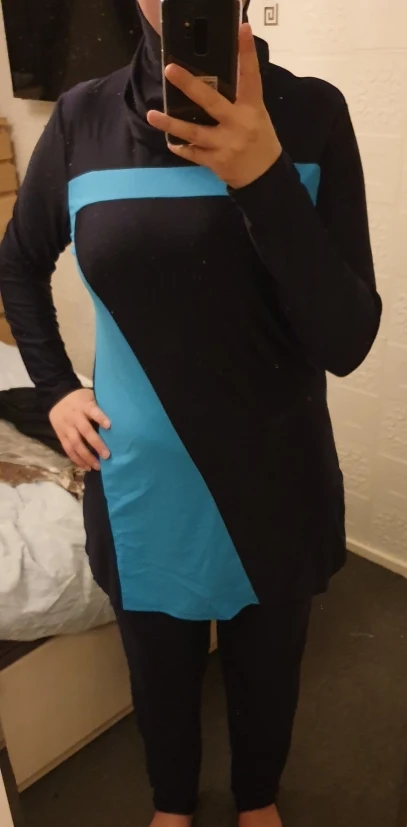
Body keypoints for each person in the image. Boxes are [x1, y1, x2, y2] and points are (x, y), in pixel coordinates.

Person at [0, 1, 382, 825]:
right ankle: (171, 803)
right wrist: (56, 388)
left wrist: (265, 177)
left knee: (268, 671)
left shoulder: (312, 114)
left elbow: (348, 338)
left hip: (276, 479)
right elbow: (18, 264)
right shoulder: (81, 119)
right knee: (159, 674)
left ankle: (257, 799)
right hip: (139, 484)